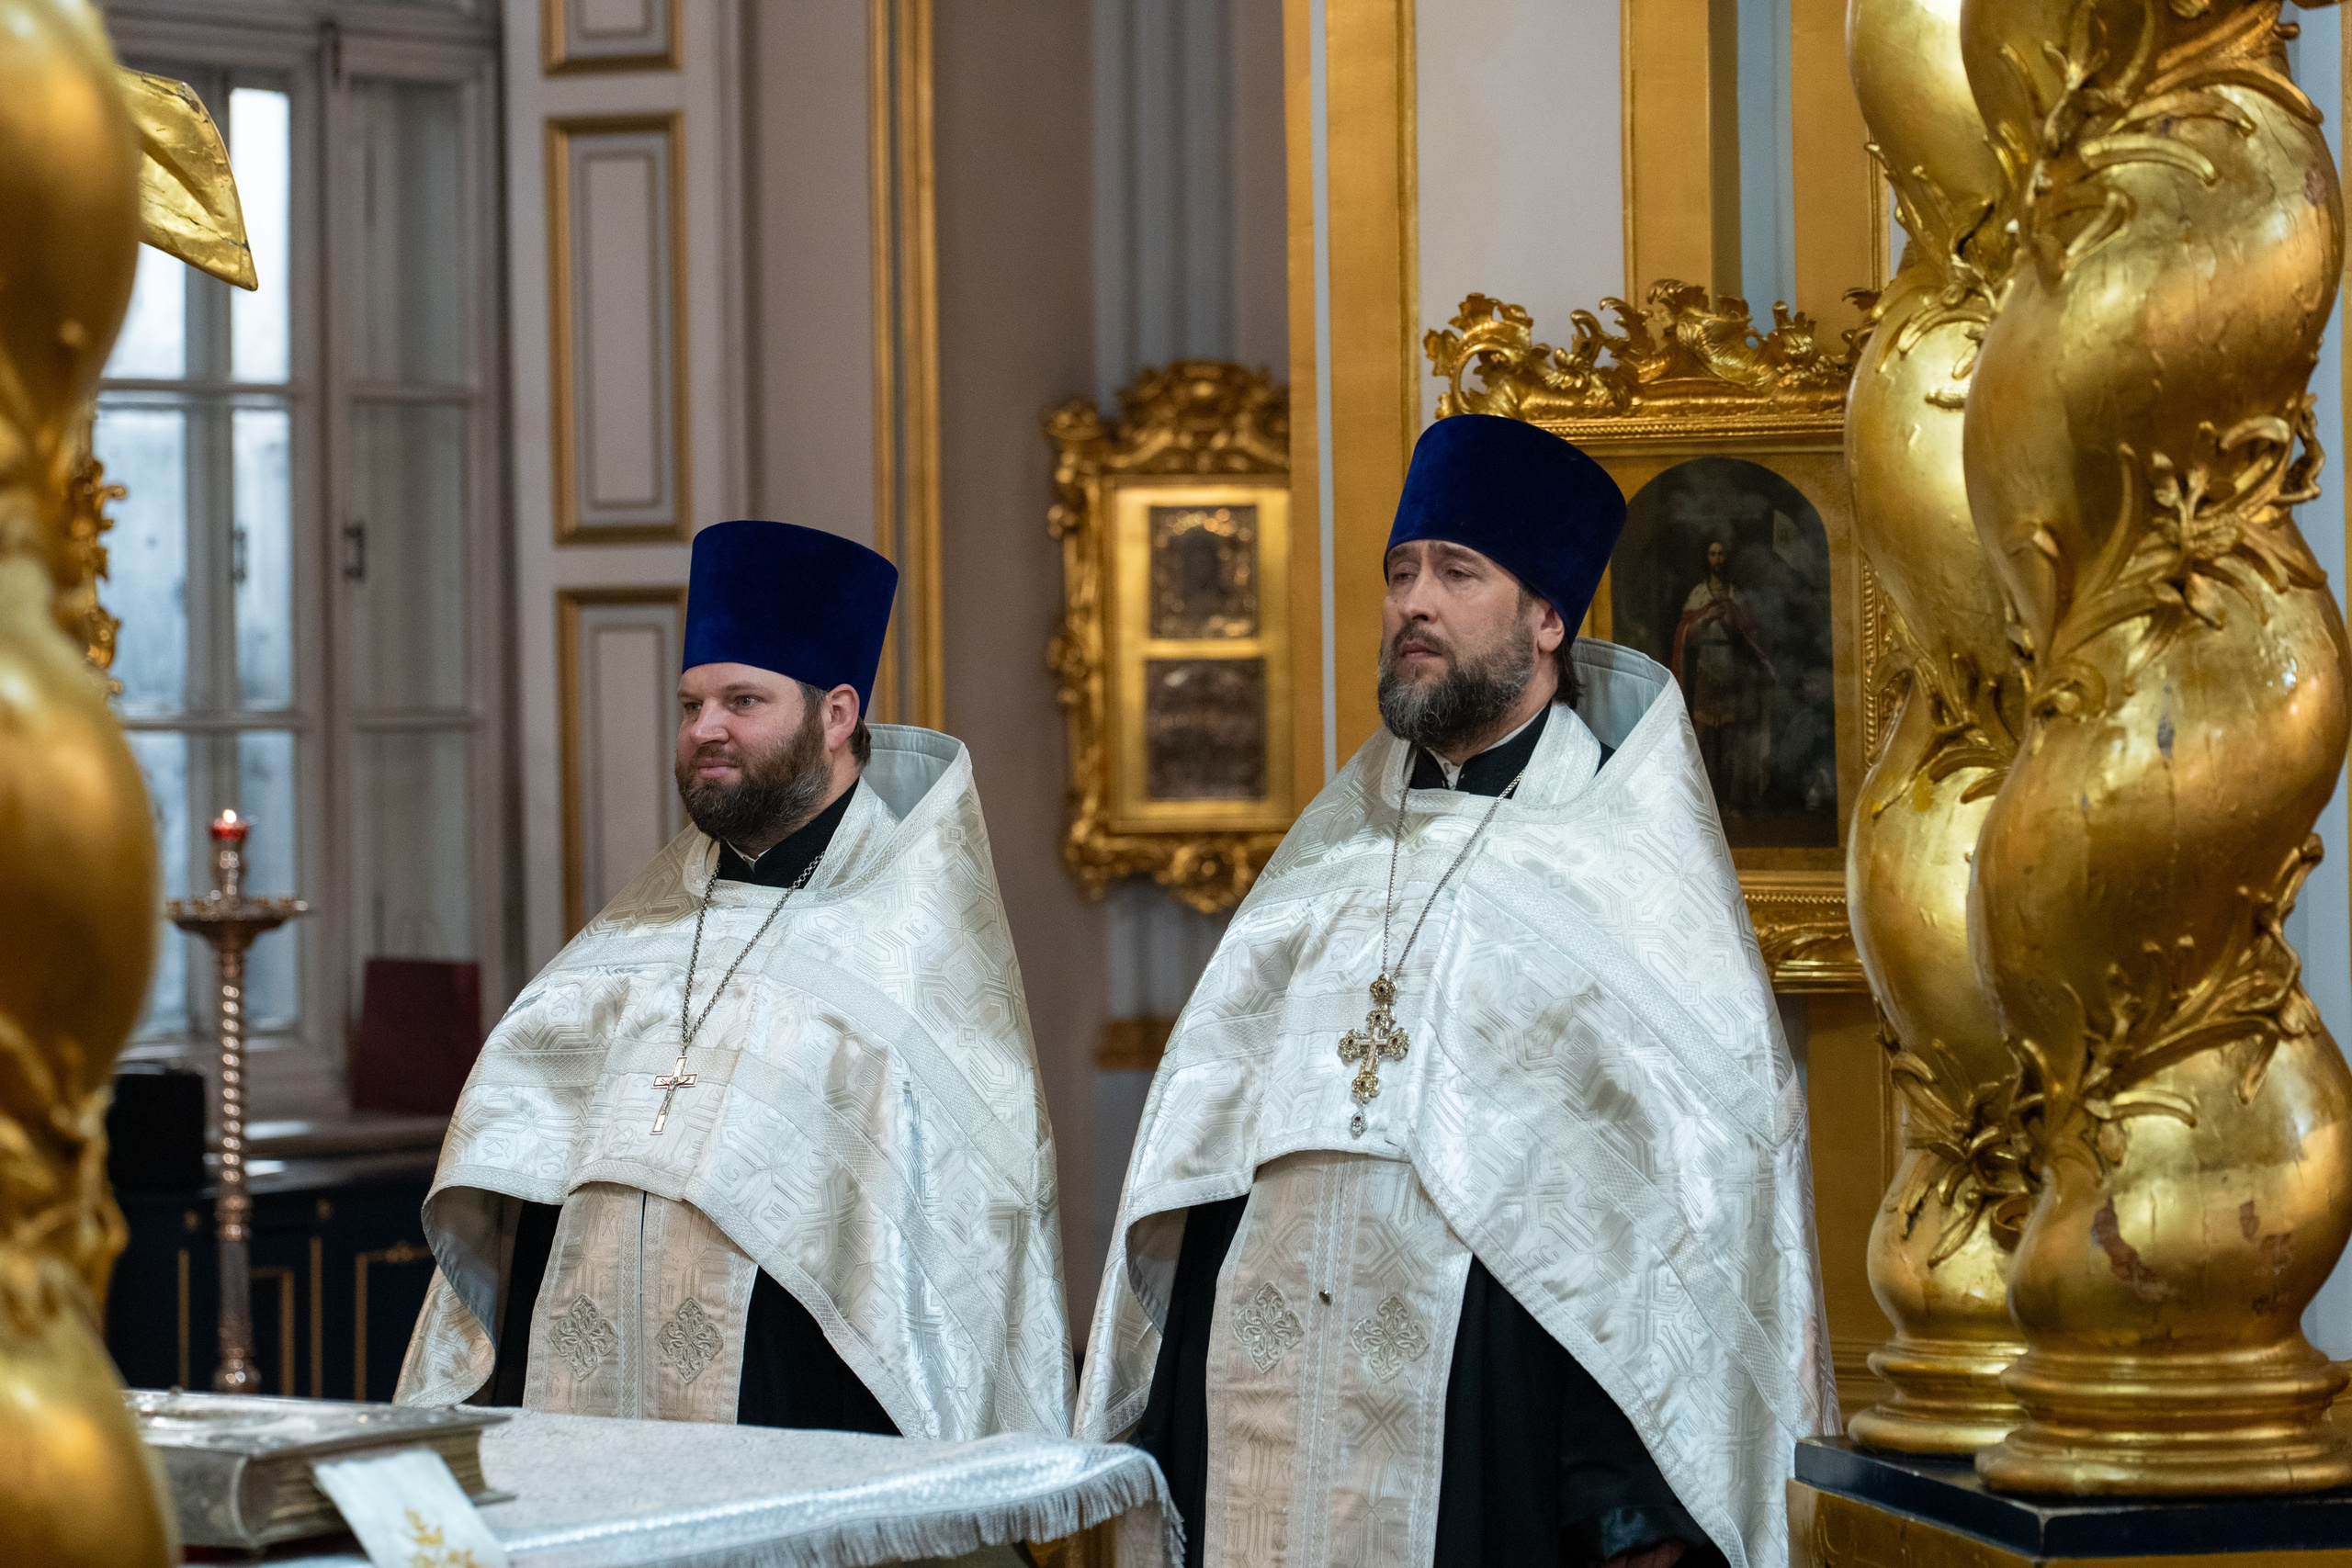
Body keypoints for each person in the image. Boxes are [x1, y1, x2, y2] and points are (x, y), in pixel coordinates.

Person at [1075, 414, 1833, 1568]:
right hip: (1261, 1412)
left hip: (1491, 1432)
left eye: (1456, 573)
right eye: (1400, 573)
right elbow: (1207, 1155)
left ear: (1546, 619)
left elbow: (1678, 1205)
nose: (1413, 604)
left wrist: (1628, 1508)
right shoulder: (1321, 867)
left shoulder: (1622, 871)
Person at [399, 520, 1070, 1438]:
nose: (704, 731)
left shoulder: (906, 956)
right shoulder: (627, 945)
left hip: (800, 1415)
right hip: (585, 1411)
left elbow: (951, 1247)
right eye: (689, 706)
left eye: (741, 702)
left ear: (837, 716)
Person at [1671, 536, 1778, 812]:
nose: (1717, 559)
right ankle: (1706, 800)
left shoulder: (1736, 595)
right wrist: (1705, 618)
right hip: (1706, 670)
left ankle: (1732, 799)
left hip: (1732, 672)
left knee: (1731, 737)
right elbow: (1685, 634)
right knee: (1704, 735)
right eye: (1713, 554)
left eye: (1721, 554)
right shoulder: (1698, 595)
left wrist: (1731, 621)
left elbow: (1751, 636)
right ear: (1706, 558)